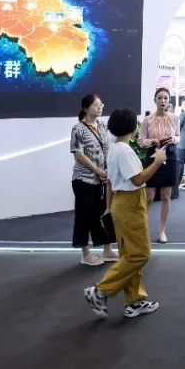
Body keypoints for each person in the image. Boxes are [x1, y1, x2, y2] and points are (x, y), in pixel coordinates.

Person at [84, 108, 166, 319]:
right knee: (140, 254)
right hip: (131, 203)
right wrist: (157, 161)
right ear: (132, 127)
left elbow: (111, 182)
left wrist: (109, 207)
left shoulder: (114, 150)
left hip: (121, 203)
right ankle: (100, 291)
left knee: (129, 255)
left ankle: (135, 301)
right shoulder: (125, 151)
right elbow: (138, 180)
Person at [70, 94, 118, 266]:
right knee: (84, 215)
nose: (100, 107)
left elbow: (107, 149)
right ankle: (85, 253)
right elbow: (78, 154)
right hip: (83, 179)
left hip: (101, 179)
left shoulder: (102, 126)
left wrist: (107, 170)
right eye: (96, 105)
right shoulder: (78, 128)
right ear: (86, 108)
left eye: (101, 104)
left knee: (103, 213)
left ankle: (107, 249)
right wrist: (97, 170)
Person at [138, 87, 180, 244]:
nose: (163, 101)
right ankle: (142, 230)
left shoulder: (175, 118)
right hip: (152, 157)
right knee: (149, 197)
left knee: (166, 196)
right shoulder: (147, 120)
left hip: (170, 157)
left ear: (169, 101)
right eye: (160, 98)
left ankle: (162, 231)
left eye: (166, 98)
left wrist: (174, 139)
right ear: (155, 100)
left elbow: (179, 136)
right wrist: (152, 141)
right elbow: (141, 141)